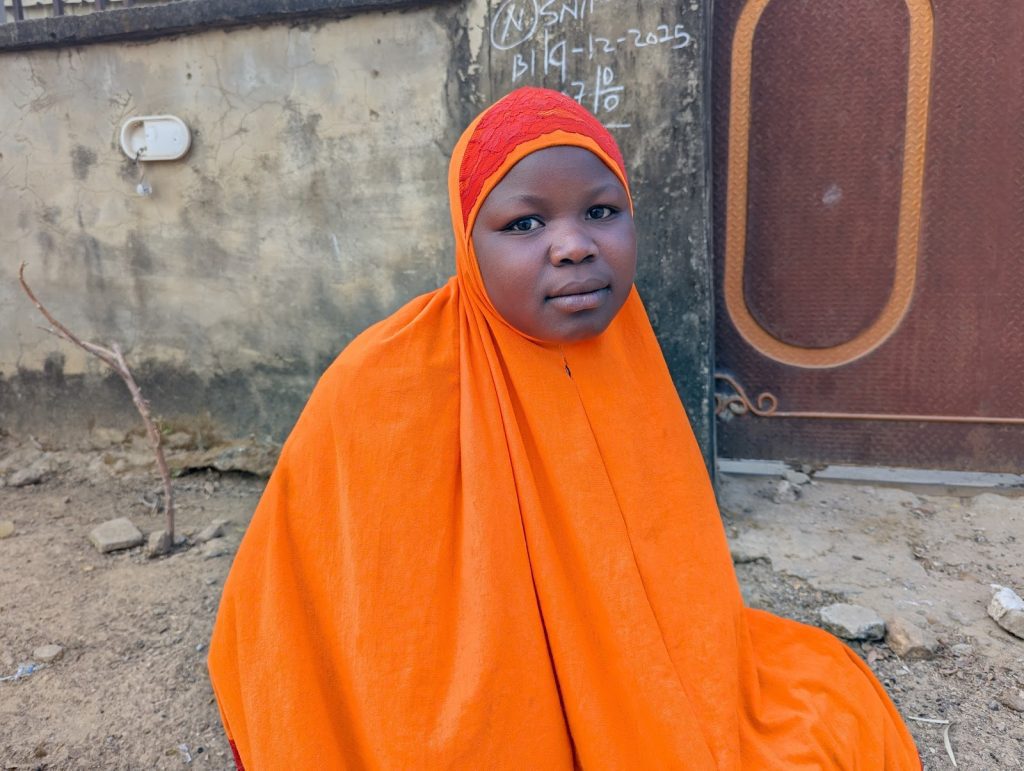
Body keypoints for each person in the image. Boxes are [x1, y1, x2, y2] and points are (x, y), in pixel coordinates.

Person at [208, 87, 921, 769]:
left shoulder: (626, 358)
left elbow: (672, 587)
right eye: (524, 224)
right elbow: (356, 620)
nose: (574, 246)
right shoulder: (384, 385)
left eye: (602, 212)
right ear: (468, 241)